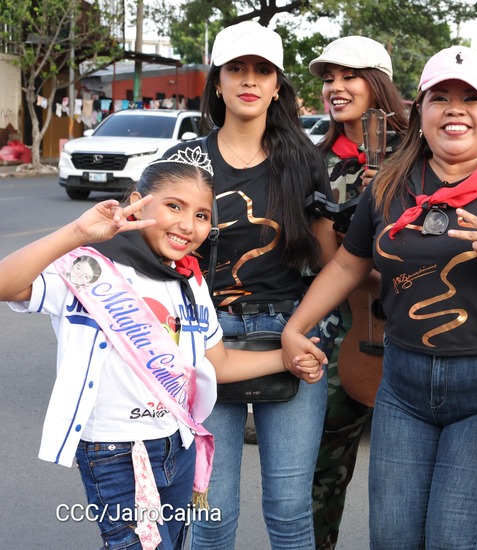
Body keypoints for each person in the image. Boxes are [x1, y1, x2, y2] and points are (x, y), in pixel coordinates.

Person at [282, 45, 477, 549]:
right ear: (420, 110)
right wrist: (296, 327)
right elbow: (350, 264)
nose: (455, 110)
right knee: (392, 539)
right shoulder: (391, 185)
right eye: (440, 98)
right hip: (401, 385)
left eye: (471, 98)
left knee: (450, 541)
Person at [0, 155, 324, 549]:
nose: (188, 225)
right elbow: (5, 285)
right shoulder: (90, 269)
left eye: (202, 215)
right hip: (116, 451)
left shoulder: (191, 282)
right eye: (174, 206)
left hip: (177, 444)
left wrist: (285, 360)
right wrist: (76, 233)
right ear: (138, 203)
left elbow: (217, 363)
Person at [162, 21, 337, 549]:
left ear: (277, 85)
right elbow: (154, 253)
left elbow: (331, 262)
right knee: (211, 514)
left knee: (290, 510)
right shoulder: (183, 161)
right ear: (217, 83)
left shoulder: (304, 162)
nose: (249, 80)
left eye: (262, 70)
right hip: (202, 338)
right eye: (236, 69)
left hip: (290, 331)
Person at [306, 35, 409, 549]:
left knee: (405, 482)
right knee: (319, 476)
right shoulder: (312, 161)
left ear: (378, 84)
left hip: (412, 334)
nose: (336, 88)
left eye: (349, 76)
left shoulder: (421, 155)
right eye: (329, 79)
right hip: (334, 333)